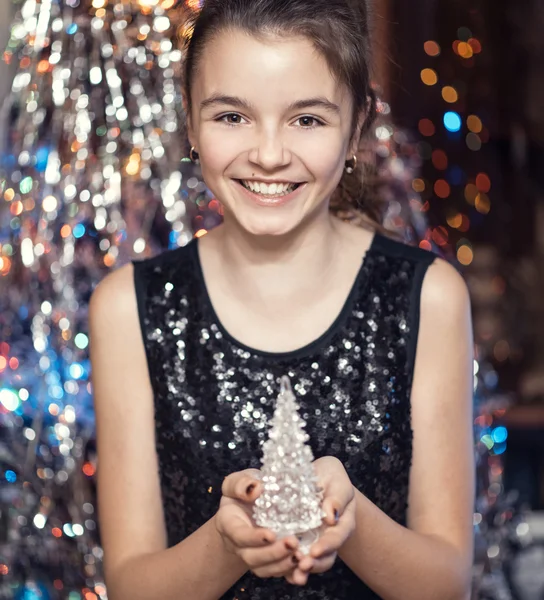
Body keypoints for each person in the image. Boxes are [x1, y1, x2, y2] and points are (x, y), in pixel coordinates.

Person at [89, 0, 475, 598]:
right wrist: (226, 544)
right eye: (232, 116)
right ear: (191, 123)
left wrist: (349, 523)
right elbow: (131, 585)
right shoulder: (130, 308)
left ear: (354, 128)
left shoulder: (427, 297)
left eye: (307, 120)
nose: (268, 154)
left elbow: (446, 584)